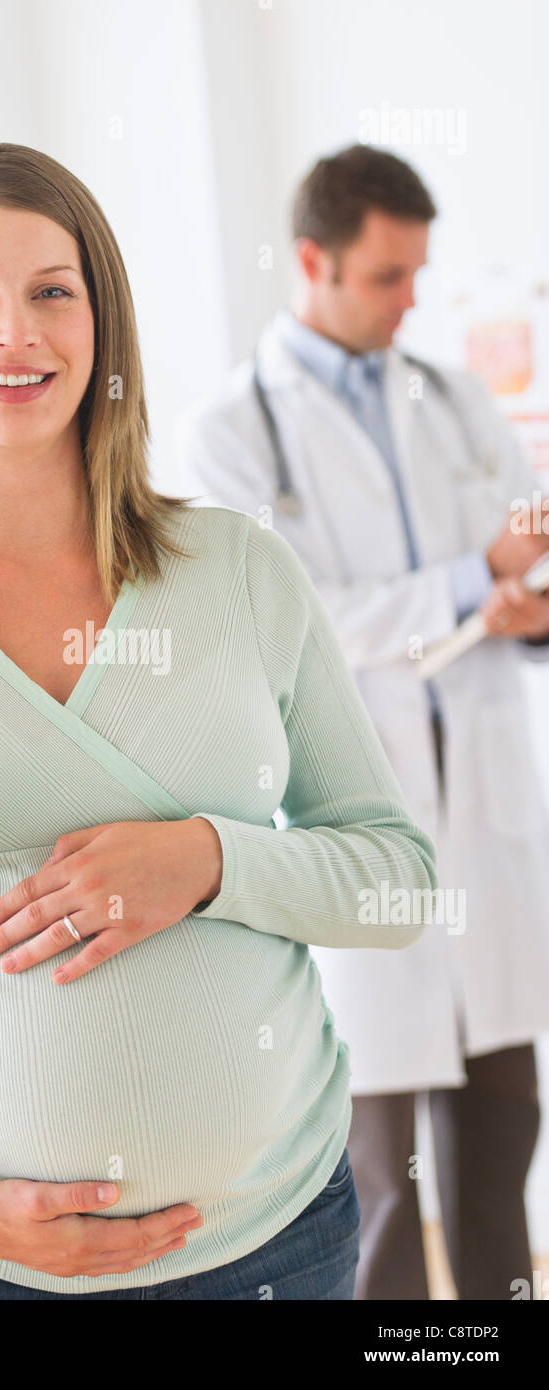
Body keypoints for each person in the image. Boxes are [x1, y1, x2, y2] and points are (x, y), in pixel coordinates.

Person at [0, 143, 437, 1302]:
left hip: (279, 1244)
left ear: (102, 320)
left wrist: (208, 861)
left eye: (53, 290)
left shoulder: (241, 571)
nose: (16, 334)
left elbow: (400, 884)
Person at [170, 142, 549, 1301]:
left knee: (498, 1170)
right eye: (388, 276)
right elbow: (287, 619)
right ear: (313, 261)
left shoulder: (452, 396)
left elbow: (502, 575)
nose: (410, 301)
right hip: (352, 813)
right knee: (380, 1192)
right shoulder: (234, 428)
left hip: (480, 807)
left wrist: (523, 606)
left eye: (418, 275)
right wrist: (460, 583)